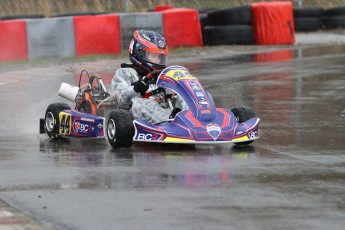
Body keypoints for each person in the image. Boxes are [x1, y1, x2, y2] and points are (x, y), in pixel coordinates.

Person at [111, 30, 182, 123]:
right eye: (153, 56)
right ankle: (170, 123)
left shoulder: (159, 76)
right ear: (139, 53)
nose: (157, 61)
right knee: (144, 104)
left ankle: (199, 121)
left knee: (182, 98)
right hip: (131, 116)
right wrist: (135, 89)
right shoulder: (124, 72)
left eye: (159, 57)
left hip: (160, 110)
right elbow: (120, 102)